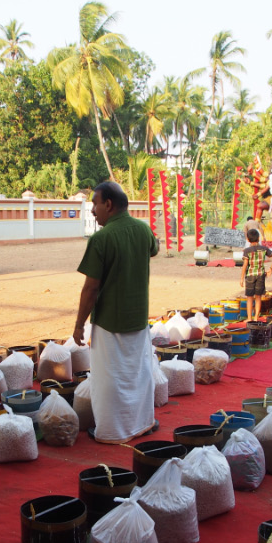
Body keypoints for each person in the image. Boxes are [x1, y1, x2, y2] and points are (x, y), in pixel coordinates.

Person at [72, 182, 159, 444]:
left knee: (108, 379)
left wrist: (79, 324)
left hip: (109, 321)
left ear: (108, 205)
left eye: (95, 204)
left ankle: (112, 431)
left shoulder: (102, 238)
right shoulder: (143, 230)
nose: (93, 211)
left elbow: (91, 288)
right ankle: (142, 424)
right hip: (138, 318)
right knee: (138, 374)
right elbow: (154, 249)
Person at [240, 228, 272, 321]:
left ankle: (249, 318)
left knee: (249, 297)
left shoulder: (247, 250)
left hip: (250, 275)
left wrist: (241, 278)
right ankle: (256, 318)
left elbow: (245, 265)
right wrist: (271, 269)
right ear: (259, 238)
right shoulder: (264, 249)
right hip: (261, 275)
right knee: (258, 297)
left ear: (248, 239)